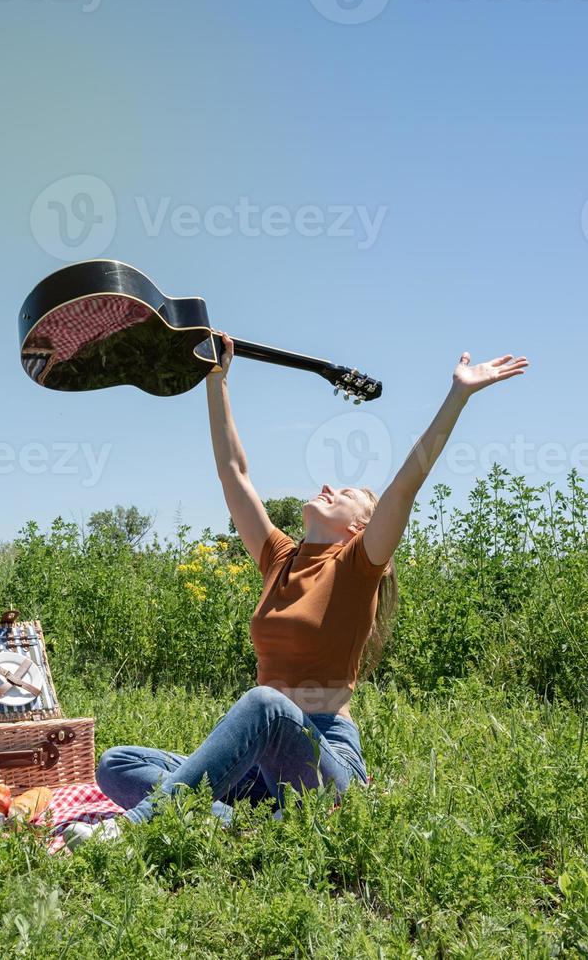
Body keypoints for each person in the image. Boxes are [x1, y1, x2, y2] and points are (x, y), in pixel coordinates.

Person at [63, 338, 528, 848]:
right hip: (262, 770)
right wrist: (216, 380)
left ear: (362, 526)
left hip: (322, 758)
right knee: (118, 764)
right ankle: (252, 827)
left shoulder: (357, 565)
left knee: (265, 703)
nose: (328, 485)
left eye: (346, 493)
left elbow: (405, 486)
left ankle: (135, 831)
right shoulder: (280, 558)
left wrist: (457, 396)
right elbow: (233, 473)